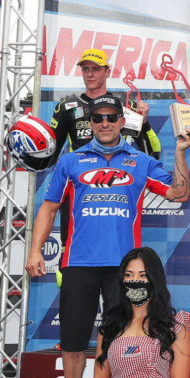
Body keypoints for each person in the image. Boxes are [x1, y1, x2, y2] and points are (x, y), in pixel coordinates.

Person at [25, 95, 190, 378]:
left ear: (122, 122)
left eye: (110, 118)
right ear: (89, 124)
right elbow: (49, 206)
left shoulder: (141, 162)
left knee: (119, 334)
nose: (104, 123)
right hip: (78, 261)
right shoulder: (70, 161)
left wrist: (179, 151)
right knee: (74, 333)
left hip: (125, 267)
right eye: (97, 118)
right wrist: (35, 250)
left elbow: (180, 193)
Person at [49, 48, 161, 284]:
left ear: (107, 71)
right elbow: (50, 155)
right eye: (85, 69)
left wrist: (145, 123)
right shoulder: (66, 107)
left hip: (119, 186)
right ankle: (69, 274)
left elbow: (153, 152)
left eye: (96, 69)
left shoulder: (124, 105)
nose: (90, 74)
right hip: (79, 187)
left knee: (119, 267)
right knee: (72, 261)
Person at [93, 247, 190, 378]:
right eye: (129, 275)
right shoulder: (109, 328)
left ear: (154, 280)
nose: (134, 281)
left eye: (142, 275)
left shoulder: (175, 327)